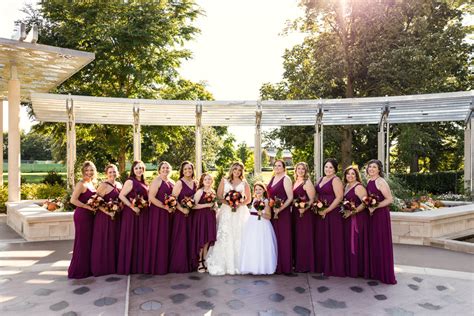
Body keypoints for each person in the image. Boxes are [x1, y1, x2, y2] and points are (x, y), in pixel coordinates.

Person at [206, 162, 251, 275]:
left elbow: (249, 199)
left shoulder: (244, 182)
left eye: (239, 170)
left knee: (239, 234)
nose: (237, 171)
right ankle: (224, 263)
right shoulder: (224, 180)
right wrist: (230, 202)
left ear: (242, 171)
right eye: (235, 169)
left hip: (240, 212)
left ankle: (240, 263)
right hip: (227, 211)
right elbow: (219, 196)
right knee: (226, 234)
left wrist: (238, 204)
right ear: (231, 169)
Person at [366, 159, 397, 284]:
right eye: (370, 167)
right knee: (374, 242)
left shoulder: (380, 181)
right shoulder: (369, 181)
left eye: (374, 167)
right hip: (372, 215)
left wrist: (375, 206)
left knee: (381, 241)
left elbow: (390, 199)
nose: (371, 169)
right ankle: (375, 271)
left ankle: (384, 273)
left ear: (379, 169)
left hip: (380, 215)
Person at [117, 160, 149, 274]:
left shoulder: (144, 182)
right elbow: (121, 196)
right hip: (131, 214)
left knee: (140, 239)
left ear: (143, 169)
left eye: (140, 168)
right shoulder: (130, 181)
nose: (139, 170)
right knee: (131, 237)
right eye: (136, 168)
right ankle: (129, 266)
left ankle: (139, 266)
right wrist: (132, 207)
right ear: (133, 170)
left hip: (142, 214)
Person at [314, 158, 345, 277]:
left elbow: (339, 197)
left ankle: (332, 267)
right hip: (320, 211)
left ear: (335, 169)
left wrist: (327, 210)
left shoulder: (336, 180)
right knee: (322, 238)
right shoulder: (321, 179)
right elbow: (317, 193)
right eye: (326, 167)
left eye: (331, 167)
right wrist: (317, 206)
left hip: (332, 213)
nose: (328, 169)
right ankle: (321, 265)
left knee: (331, 238)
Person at [91, 164, 122, 276]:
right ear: (106, 174)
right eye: (110, 172)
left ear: (117, 173)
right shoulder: (103, 185)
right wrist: (108, 212)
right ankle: (102, 267)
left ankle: (113, 266)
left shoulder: (119, 184)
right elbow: (96, 202)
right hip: (104, 217)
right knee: (104, 240)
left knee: (114, 240)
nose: (112, 174)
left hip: (116, 217)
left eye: (114, 172)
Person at [240, 182, 277, 275]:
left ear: (264, 190)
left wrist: (262, 214)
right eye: (256, 189)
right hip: (252, 224)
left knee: (261, 244)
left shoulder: (266, 201)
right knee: (252, 244)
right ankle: (252, 266)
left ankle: (262, 267)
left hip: (262, 225)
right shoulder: (254, 200)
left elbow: (269, 216)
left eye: (260, 189)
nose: (258, 191)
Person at [68, 161, 97, 279]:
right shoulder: (81, 184)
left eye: (91, 170)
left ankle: (88, 268)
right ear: (83, 171)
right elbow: (73, 200)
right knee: (82, 242)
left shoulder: (91, 183)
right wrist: (86, 206)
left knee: (89, 242)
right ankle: (79, 270)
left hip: (90, 215)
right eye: (87, 170)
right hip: (82, 215)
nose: (89, 172)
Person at [145, 161, 174, 275]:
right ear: (159, 170)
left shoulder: (172, 182)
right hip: (158, 212)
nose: (165, 170)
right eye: (163, 168)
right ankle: (156, 266)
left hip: (169, 213)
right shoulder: (157, 181)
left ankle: (166, 264)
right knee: (158, 236)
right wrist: (164, 207)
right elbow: (151, 197)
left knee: (166, 237)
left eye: (167, 168)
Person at [342, 165, 370, 278]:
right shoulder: (347, 186)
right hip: (348, 218)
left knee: (356, 242)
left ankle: (357, 270)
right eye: (348, 174)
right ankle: (349, 268)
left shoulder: (358, 187)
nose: (350, 176)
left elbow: (365, 203)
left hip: (357, 219)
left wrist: (353, 212)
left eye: (353, 174)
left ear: (356, 175)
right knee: (348, 242)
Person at [169, 161, 197, 273]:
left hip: (192, 214)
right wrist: (182, 209)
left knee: (191, 237)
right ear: (182, 171)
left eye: (189, 169)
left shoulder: (195, 182)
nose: (187, 171)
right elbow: (172, 199)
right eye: (185, 169)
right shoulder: (179, 183)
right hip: (181, 215)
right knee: (181, 238)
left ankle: (192, 264)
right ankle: (179, 265)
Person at [268, 159, 294, 274]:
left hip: (283, 213)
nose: (277, 167)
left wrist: (280, 209)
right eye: (275, 165)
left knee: (283, 238)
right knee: (274, 238)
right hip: (273, 212)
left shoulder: (286, 179)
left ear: (284, 168)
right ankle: (276, 264)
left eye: (279, 166)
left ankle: (285, 266)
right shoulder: (273, 178)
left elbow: (290, 198)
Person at [292, 162, 316, 273]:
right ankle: (297, 263)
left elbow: (312, 199)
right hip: (296, 213)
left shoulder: (307, 182)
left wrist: (304, 208)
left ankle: (305, 264)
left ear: (306, 171)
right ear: (295, 170)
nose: (301, 171)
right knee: (297, 237)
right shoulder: (295, 182)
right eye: (299, 169)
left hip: (305, 214)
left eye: (303, 169)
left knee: (304, 237)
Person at [192, 173, 218, 273]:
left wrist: (215, 207)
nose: (208, 181)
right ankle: (200, 262)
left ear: (212, 181)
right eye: (206, 179)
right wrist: (206, 205)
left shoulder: (212, 191)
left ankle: (205, 260)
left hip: (210, 217)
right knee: (202, 239)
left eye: (209, 179)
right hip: (201, 217)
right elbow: (193, 206)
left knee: (207, 239)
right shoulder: (200, 191)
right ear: (202, 181)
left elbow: (214, 204)